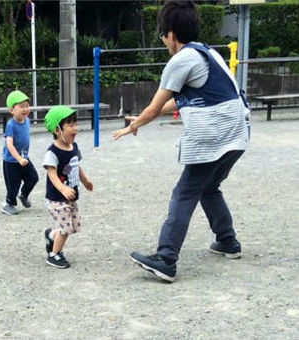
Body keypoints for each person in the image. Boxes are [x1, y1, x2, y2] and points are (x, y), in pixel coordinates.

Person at [112, 0, 250, 282]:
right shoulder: (208, 52)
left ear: (171, 34)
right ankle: (227, 241)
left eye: (163, 35)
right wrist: (143, 117)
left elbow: (155, 104)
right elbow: (176, 100)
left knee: (184, 192)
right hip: (237, 132)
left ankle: (166, 258)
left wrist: (136, 124)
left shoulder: (181, 59)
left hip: (214, 134)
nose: (164, 41)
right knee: (209, 187)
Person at [42, 106, 93, 268]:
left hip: (71, 196)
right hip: (57, 198)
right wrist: (62, 189)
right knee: (65, 229)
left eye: (75, 123)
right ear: (57, 130)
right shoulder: (53, 152)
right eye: (70, 125)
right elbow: (52, 174)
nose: (75, 128)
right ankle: (54, 254)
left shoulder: (74, 147)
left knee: (71, 226)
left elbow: (76, 166)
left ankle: (51, 235)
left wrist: (85, 181)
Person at [1, 90, 39, 215]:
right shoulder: (11, 125)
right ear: (11, 110)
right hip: (11, 161)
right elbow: (9, 144)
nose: (25, 109)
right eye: (21, 106)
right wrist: (19, 159)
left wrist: (23, 158)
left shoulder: (27, 120)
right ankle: (8, 204)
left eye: (27, 106)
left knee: (33, 177)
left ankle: (24, 195)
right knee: (13, 185)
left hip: (24, 157)